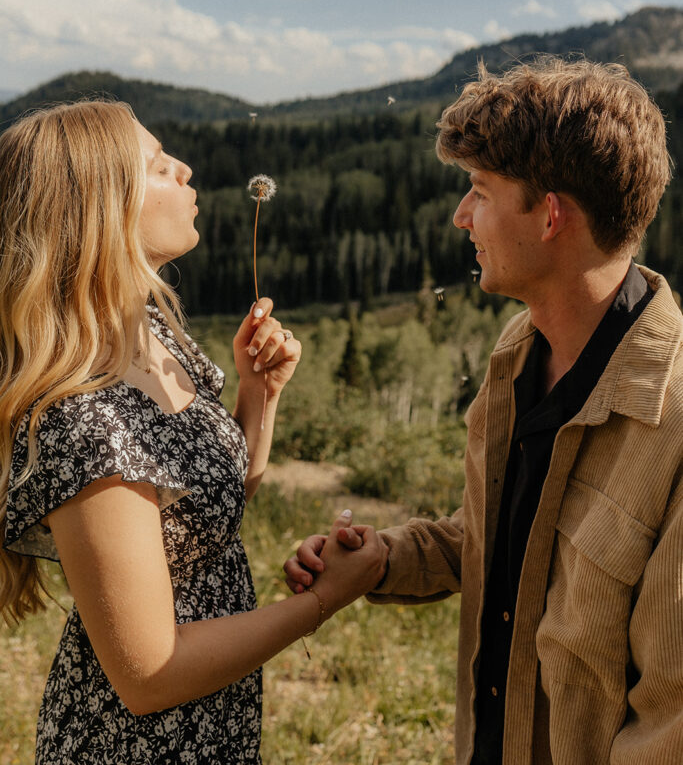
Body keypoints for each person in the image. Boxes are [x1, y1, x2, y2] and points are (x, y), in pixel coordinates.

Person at [285, 57, 683, 764]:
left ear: (551, 213)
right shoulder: (517, 357)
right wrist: (385, 559)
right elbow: (505, 537)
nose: (459, 215)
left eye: (478, 191)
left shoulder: (671, 428)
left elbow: (670, 726)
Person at [0, 100, 386, 765]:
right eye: (156, 166)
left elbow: (201, 521)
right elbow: (151, 675)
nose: (183, 169)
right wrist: (325, 600)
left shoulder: (150, 334)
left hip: (211, 720)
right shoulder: (86, 419)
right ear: (100, 212)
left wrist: (257, 397)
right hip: (138, 744)